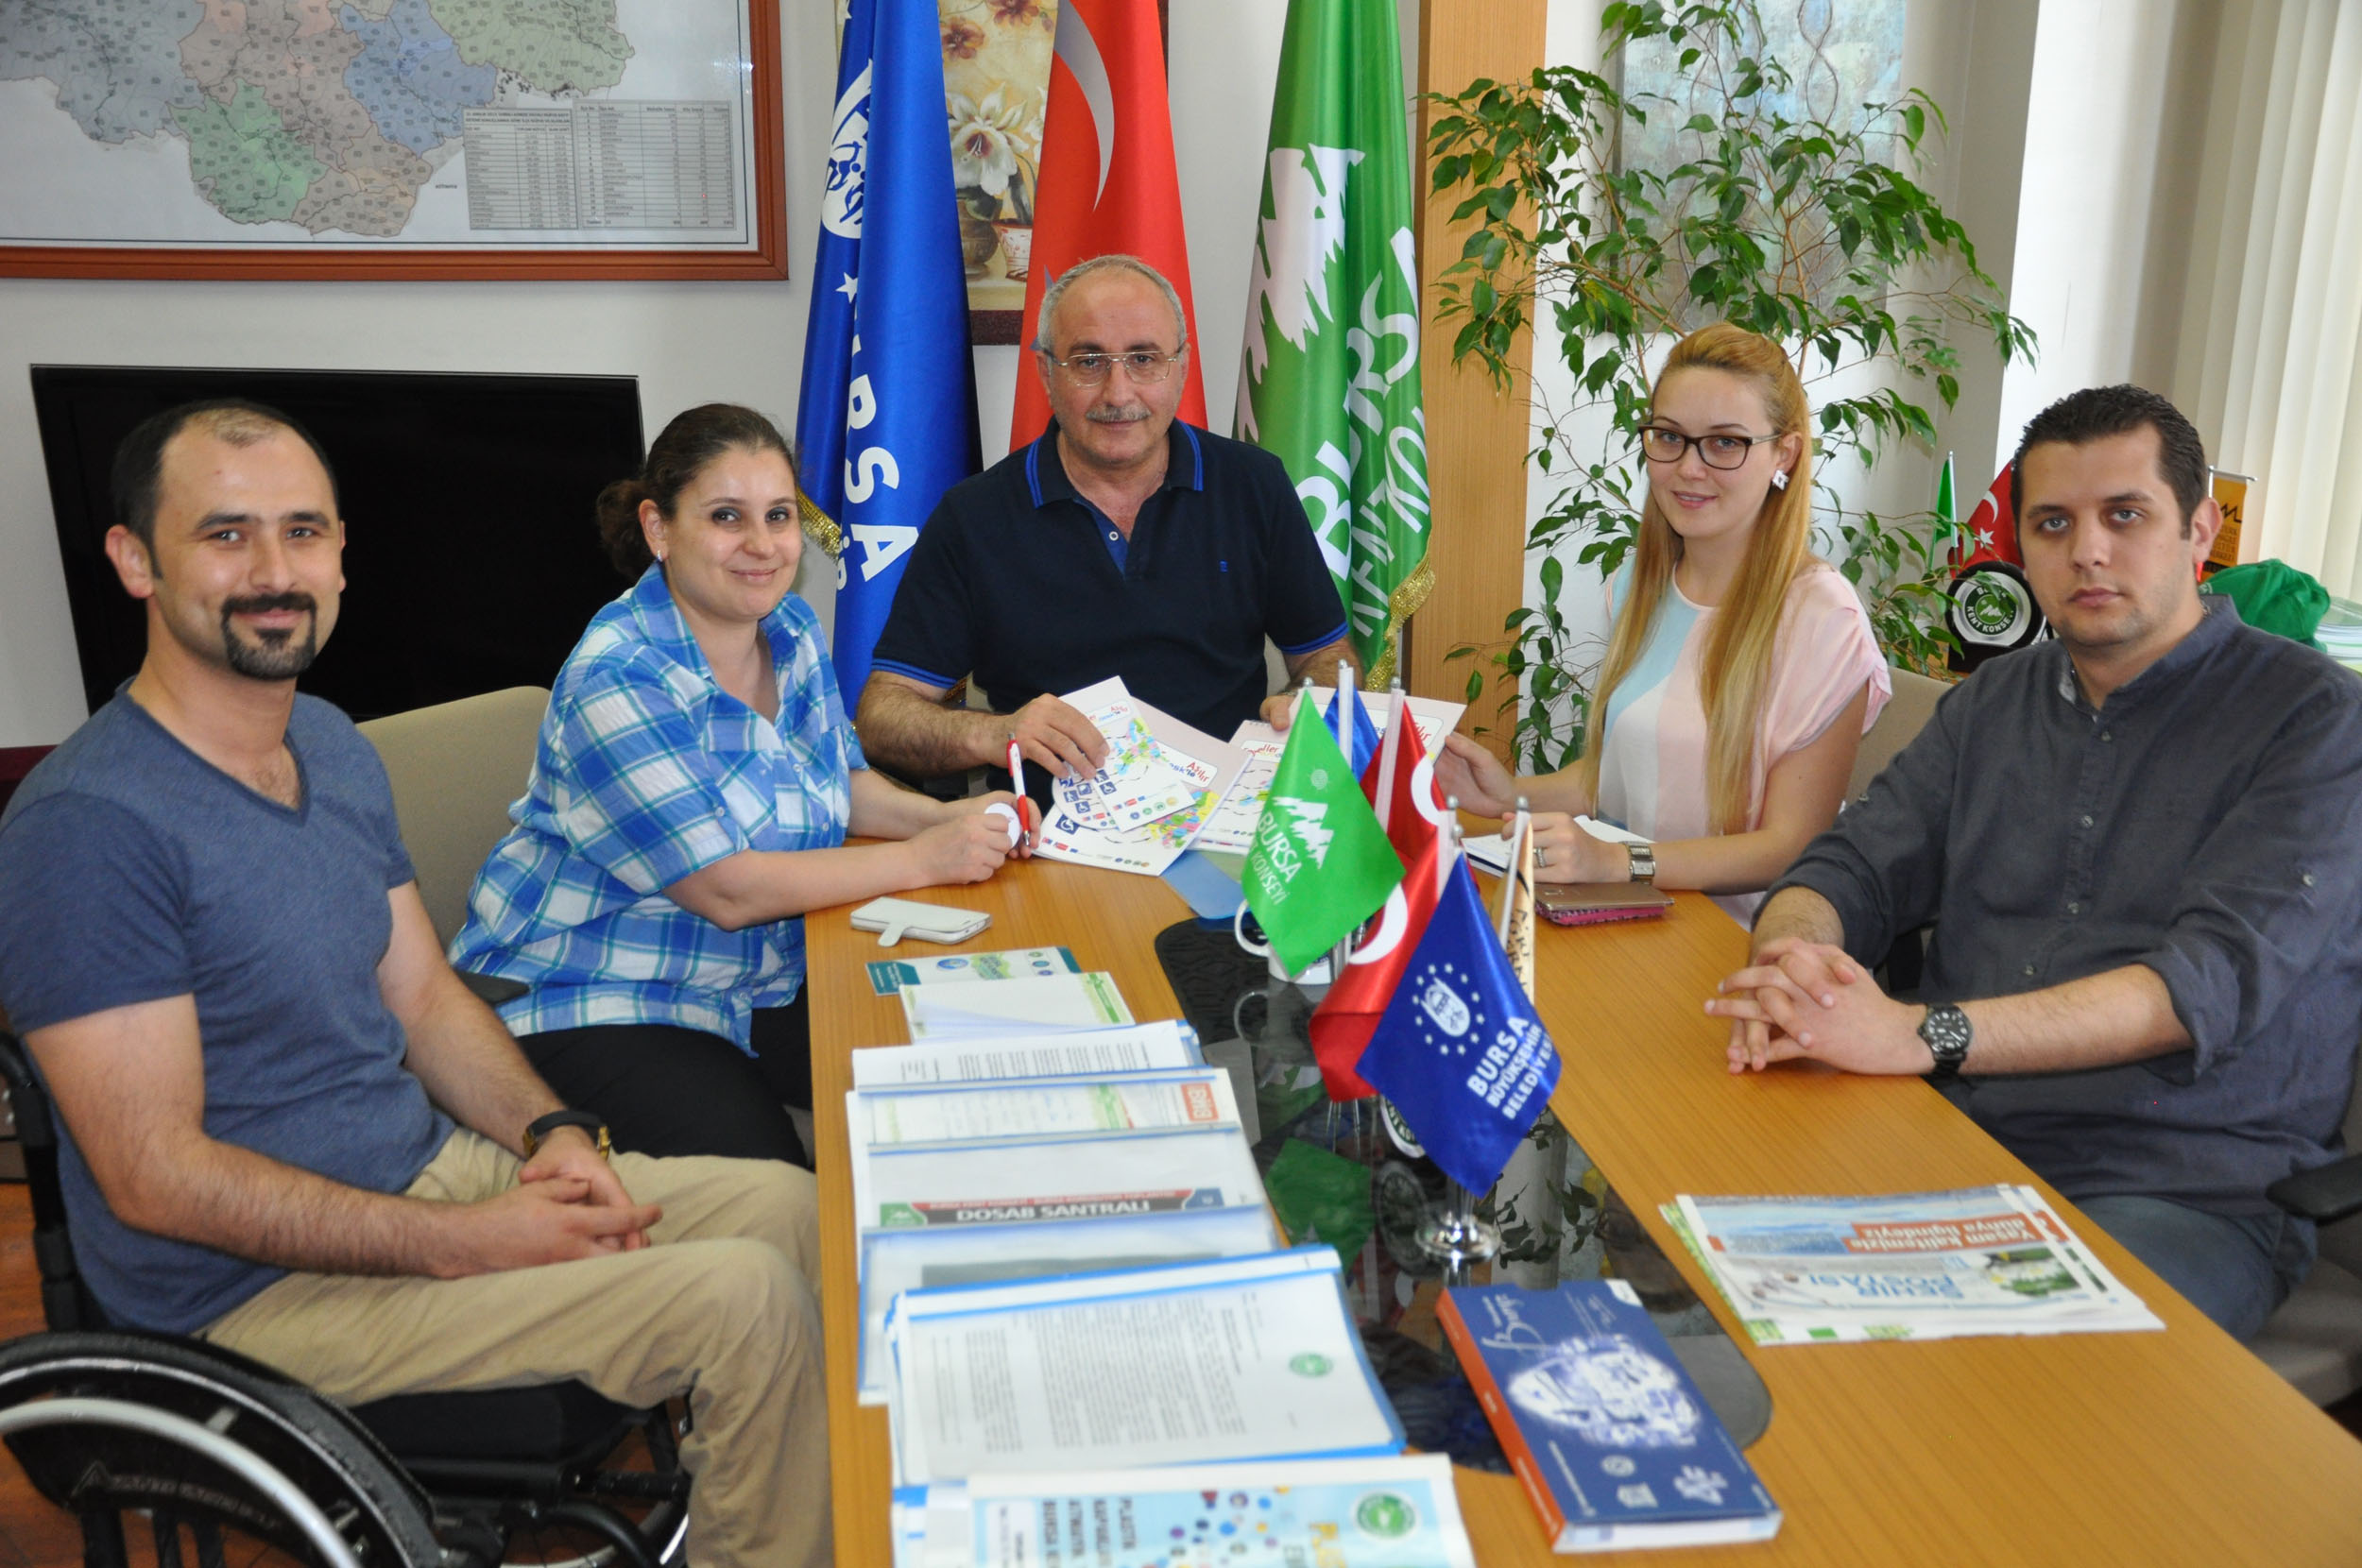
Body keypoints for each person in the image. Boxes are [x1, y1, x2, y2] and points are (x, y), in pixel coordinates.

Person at [0, 399, 828, 1568]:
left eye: (302, 531)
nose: (274, 570)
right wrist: (466, 1241)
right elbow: (154, 1177)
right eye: (226, 535)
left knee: (795, 1210)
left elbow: (428, 997)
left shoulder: (329, 744)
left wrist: (552, 1131)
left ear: (341, 554)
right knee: (744, 1298)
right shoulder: (89, 829)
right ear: (136, 561)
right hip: (257, 1300)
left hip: (427, 1174)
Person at [1709, 383, 2362, 1340]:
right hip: (1950, 1135)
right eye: (2053, 523)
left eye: (2124, 515)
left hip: (2178, 1187)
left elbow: (2198, 986)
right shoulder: (1993, 701)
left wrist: (1918, 1032)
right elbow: (1850, 864)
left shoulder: (2313, 719)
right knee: (1714, 1289)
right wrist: (1794, 957)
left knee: (1993, 1388)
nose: (2087, 551)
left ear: (2199, 530)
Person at [450, 404, 1029, 1167]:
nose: (762, 544)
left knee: (950, 1071)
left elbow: (840, 785)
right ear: (658, 528)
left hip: (755, 976)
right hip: (595, 994)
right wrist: (926, 858)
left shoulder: (790, 631)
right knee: (776, 1187)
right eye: (727, 516)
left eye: (779, 516)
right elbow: (728, 891)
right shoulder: (617, 677)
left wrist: (954, 818)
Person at [1436, 322, 1891, 923]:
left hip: (1739, 936)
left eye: (1725, 443)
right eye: (1670, 437)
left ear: (1784, 454)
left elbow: (1791, 847)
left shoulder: (1823, 619)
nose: (1689, 468)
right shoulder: (1639, 584)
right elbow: (1620, 771)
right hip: (1628, 913)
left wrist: (1621, 862)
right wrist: (1510, 793)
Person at [857, 253, 1359, 795]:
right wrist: (997, 733)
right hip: (1051, 830)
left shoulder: (1254, 484)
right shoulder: (973, 517)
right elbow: (883, 716)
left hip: (1227, 812)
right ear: (1047, 372)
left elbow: (1326, 656)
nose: (1118, 393)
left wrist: (1306, 702)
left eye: (1144, 359)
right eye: (1089, 361)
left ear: (1181, 367)